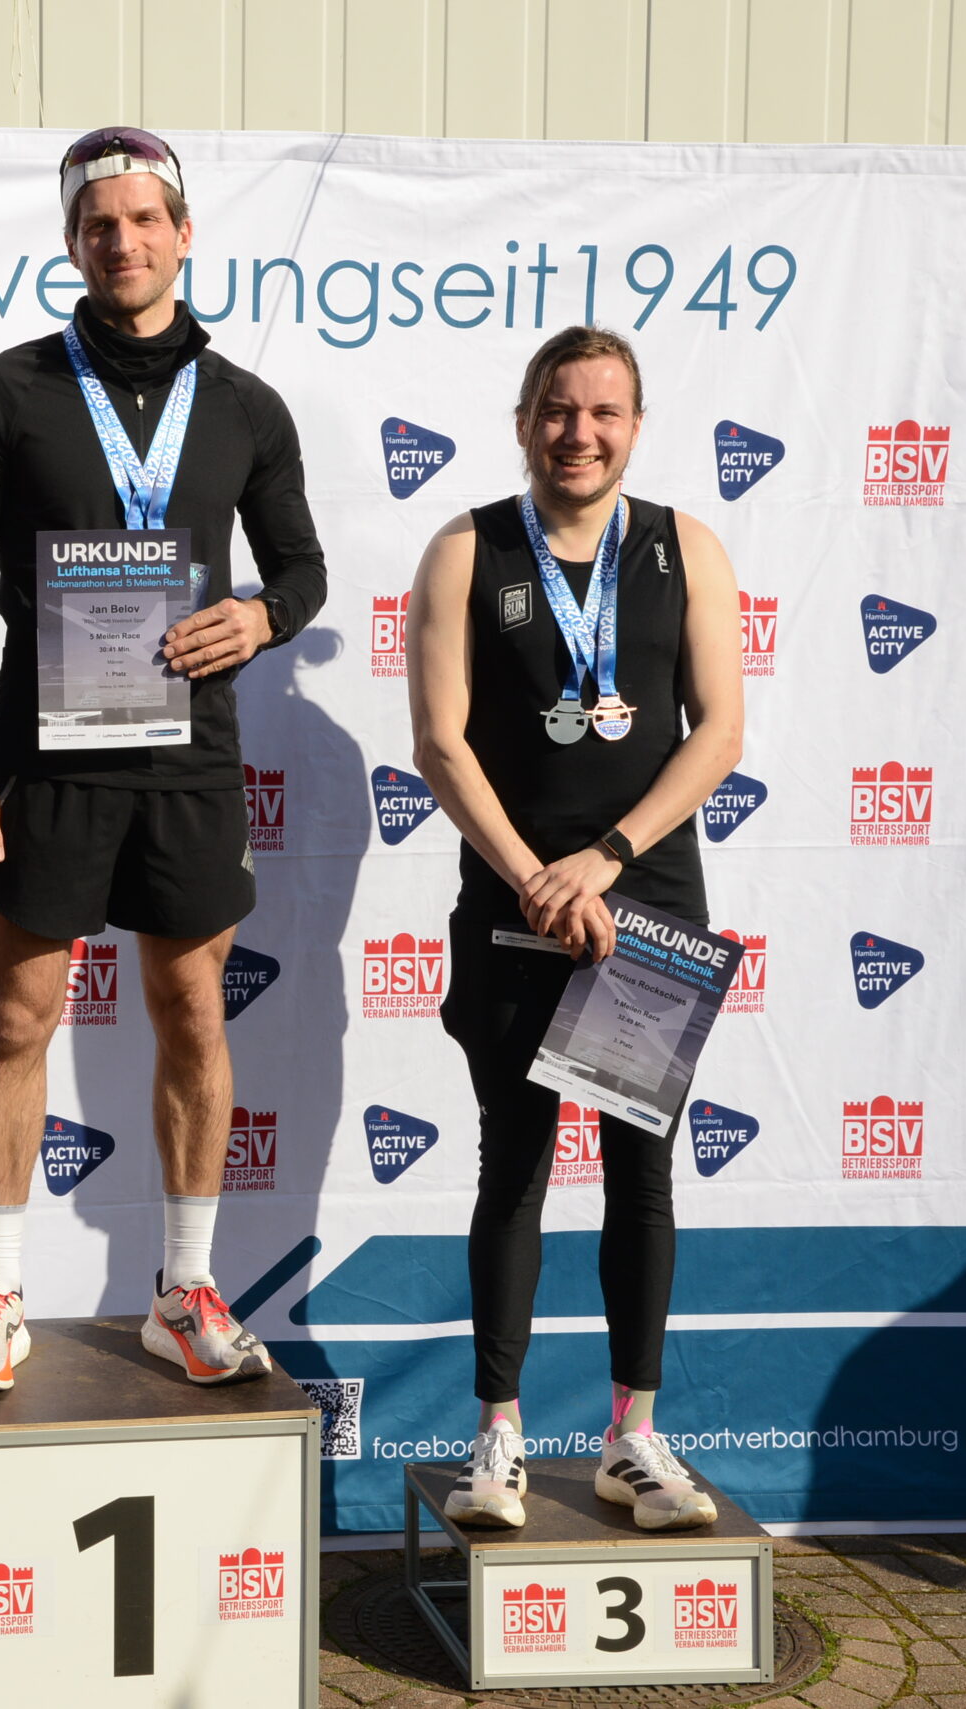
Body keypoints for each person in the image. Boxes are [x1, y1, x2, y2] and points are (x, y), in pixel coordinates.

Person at [0, 127, 328, 1391]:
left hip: (189, 759)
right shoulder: (7, 389)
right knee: (16, 1015)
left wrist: (262, 616)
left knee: (192, 1011)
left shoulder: (245, 405)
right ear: (71, 243)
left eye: (146, 219)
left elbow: (304, 567)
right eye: (100, 224)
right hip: (43, 763)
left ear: (184, 235)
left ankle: (183, 1288)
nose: (124, 241)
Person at [404, 326, 742, 1530]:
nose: (578, 433)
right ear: (523, 420)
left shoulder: (684, 547)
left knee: (641, 1175)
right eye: (557, 409)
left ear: (634, 427)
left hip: (644, 903)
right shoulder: (466, 548)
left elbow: (718, 733)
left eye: (603, 412)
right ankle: (496, 1436)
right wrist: (535, 878)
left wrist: (604, 859)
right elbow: (439, 743)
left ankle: (631, 1436)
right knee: (514, 1163)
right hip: (514, 907)